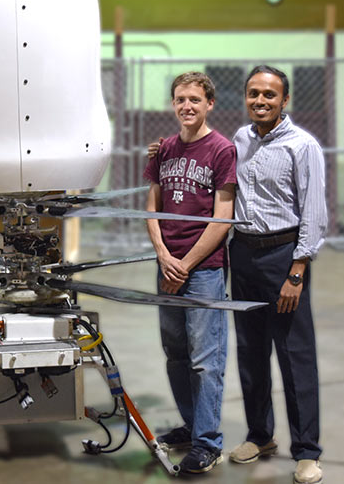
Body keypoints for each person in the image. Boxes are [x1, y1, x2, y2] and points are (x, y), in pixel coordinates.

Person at [227, 65, 326, 484]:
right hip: (243, 254)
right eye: (254, 94)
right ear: (246, 97)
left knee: (294, 354)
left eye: (270, 94)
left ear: (284, 100)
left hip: (284, 256)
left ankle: (306, 451)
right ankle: (260, 435)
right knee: (250, 352)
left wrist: (298, 270)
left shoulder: (303, 146)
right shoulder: (240, 139)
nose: (261, 101)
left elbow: (315, 213)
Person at [142, 72, 236, 474]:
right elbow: (152, 206)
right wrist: (163, 254)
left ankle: (208, 443)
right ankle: (192, 425)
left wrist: (186, 263)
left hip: (203, 271)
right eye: (180, 99)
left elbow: (223, 219)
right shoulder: (163, 150)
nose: (187, 106)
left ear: (209, 103)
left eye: (195, 99)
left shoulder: (222, 150)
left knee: (205, 360)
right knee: (176, 355)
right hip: (167, 266)